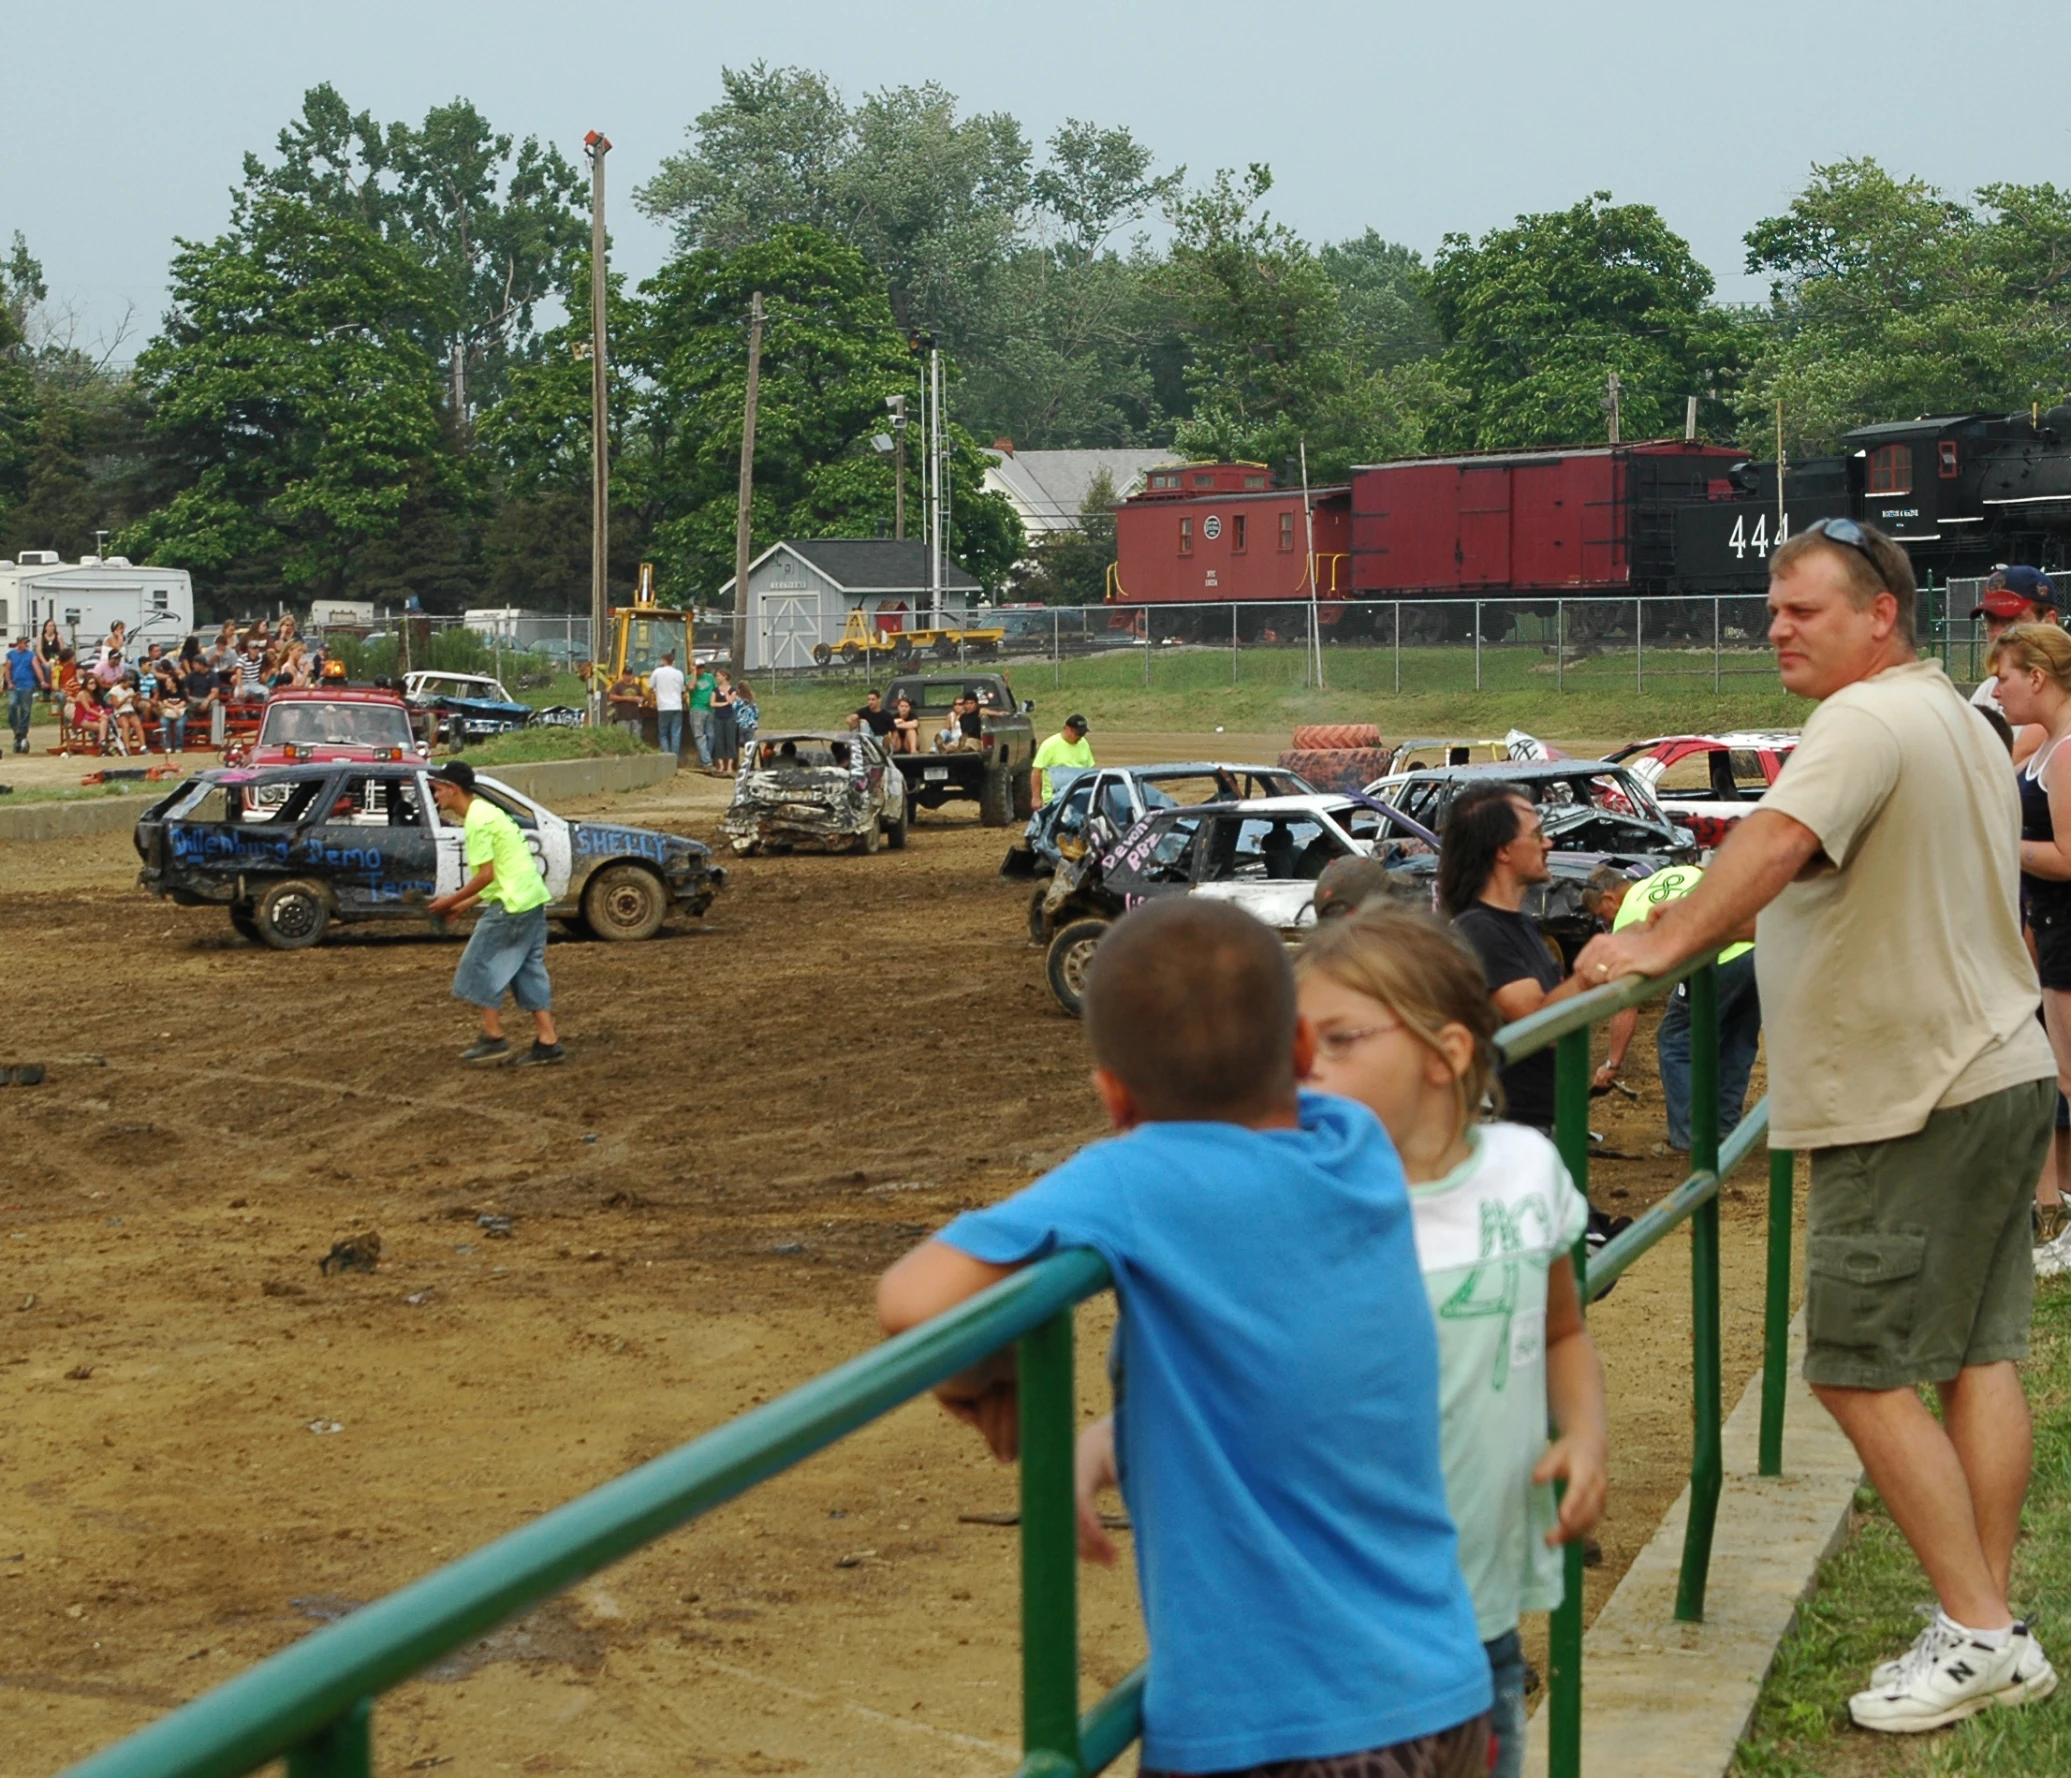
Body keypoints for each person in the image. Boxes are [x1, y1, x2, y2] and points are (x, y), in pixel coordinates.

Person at [1575, 517, 2058, 1732]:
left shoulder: (1860, 721)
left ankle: (1978, 1628)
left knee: (1854, 1366)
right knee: (1974, 1353)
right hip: (1997, 1063)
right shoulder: (1958, 711)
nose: (1776, 628)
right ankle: (1988, 1620)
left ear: (1878, 612)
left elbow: (1775, 841)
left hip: (1909, 1092)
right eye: (1772, 608)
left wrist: (1659, 940)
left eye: (1803, 609)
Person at [878, 898, 1493, 1776]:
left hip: (1268, 1739)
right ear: (1300, 1054)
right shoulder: (1354, 1142)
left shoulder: (1135, 1177)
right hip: (1440, 1699)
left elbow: (911, 1298)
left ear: (1112, 1096)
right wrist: (1109, 1439)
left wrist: (987, 1377)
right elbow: (1263, 1360)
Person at [1295, 904, 1608, 1778]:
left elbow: (1561, 1331)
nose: (1305, 1068)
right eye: (1296, 1044)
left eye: (1341, 1039)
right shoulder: (1299, 1205)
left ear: (1448, 1055)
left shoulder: (1525, 1171)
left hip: (1482, 1628)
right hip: (1336, 1645)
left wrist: (1583, 1437)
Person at [1988, 622, 2071, 1256]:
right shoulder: (2044, 746)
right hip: (2046, 924)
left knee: (2067, 1074)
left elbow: (2068, 856)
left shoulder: (2066, 752)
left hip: (2065, 924)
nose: (1997, 687)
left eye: (2006, 675)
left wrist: (1996, 842)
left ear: (2037, 678)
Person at [1439, 782, 1585, 1134]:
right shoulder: (1480, 931)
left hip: (1540, 1121)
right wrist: (1594, 970)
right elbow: (1540, 1025)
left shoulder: (1517, 923)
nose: (1548, 843)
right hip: (1516, 1129)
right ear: (1503, 851)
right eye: (1537, 836)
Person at [1585, 862, 1761, 1153]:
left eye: (1602, 916)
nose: (1605, 922)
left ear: (1608, 899)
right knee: (1737, 1039)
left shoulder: (1629, 917)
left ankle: (1688, 1137)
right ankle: (1725, 1128)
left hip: (1717, 959)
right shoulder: (1674, 873)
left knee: (1675, 1040)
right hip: (1753, 949)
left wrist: (1613, 1063)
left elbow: (1627, 1003)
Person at [424, 761, 565, 1068]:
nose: (435, 796)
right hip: (531, 899)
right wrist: (462, 905)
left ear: (453, 788)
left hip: (511, 905)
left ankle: (493, 1036)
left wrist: (449, 901)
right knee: (527, 970)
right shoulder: (489, 812)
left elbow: (486, 875)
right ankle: (548, 1040)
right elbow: (501, 872)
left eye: (437, 790)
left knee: (479, 962)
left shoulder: (476, 821)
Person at [1969, 568, 2057, 723]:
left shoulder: (2062, 690)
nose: (1998, 634)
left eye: (2011, 621)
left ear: (2049, 621)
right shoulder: (1988, 691)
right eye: (1991, 621)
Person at [1032, 713, 1094, 803]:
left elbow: (1089, 770)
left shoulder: (1083, 743)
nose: (1080, 738)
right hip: (1055, 799)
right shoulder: (1050, 745)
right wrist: (1036, 798)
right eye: (1078, 734)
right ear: (1068, 729)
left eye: (1082, 735)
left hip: (1078, 798)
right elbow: (1037, 771)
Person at [648, 650, 686, 762]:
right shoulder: (679, 673)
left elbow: (650, 688)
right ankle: (675, 758)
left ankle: (666, 757)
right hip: (677, 706)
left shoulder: (657, 672)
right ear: (672, 661)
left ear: (664, 661)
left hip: (664, 707)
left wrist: (649, 701)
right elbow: (682, 691)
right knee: (676, 733)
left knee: (663, 733)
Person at [5, 634, 36, 753]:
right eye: (24, 642)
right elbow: (7, 669)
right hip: (15, 685)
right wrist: (9, 682)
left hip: (27, 685)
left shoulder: (30, 655)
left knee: (26, 710)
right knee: (12, 705)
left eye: (27, 642)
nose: (26, 645)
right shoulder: (11, 655)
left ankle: (22, 734)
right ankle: (16, 730)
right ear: (19, 643)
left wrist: (43, 681)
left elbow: (36, 667)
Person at [687, 657, 718, 769]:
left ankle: (704, 758)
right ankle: (707, 761)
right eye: (698, 667)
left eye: (702, 667)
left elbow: (716, 690)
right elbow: (691, 687)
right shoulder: (690, 678)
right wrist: (694, 673)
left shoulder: (709, 677)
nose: (701, 669)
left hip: (710, 709)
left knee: (711, 735)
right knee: (699, 735)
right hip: (697, 709)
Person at [710, 669, 739, 775]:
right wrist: (723, 704)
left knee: (730, 741)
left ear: (724, 676)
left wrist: (726, 693)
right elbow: (712, 703)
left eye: (718, 676)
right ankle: (721, 765)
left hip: (730, 717)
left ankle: (730, 766)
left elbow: (731, 701)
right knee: (719, 740)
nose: (717, 678)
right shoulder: (715, 690)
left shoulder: (733, 689)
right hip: (718, 717)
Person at [732, 679, 759, 762]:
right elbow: (757, 714)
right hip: (750, 726)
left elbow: (733, 709)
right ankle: (751, 764)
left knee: (736, 745)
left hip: (739, 725)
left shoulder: (737, 700)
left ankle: (735, 763)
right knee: (750, 746)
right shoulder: (752, 702)